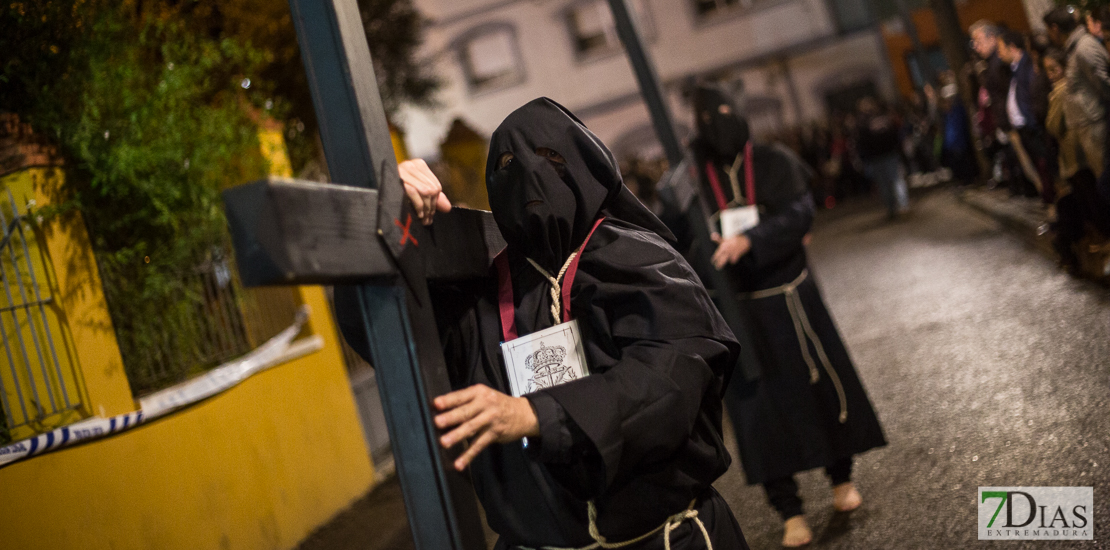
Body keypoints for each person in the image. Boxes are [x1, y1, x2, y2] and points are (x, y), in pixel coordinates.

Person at [340, 98, 749, 549]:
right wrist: (394, 223)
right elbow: (388, 335)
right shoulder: (479, 292)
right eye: (508, 164)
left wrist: (539, 413)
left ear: (586, 165)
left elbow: (671, 376)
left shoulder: (644, 261)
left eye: (551, 158)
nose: (530, 175)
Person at [672, 86, 886, 547]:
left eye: (728, 112)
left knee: (821, 389)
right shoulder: (688, 177)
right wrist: (703, 250)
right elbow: (670, 238)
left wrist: (751, 240)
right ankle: (789, 509)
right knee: (761, 411)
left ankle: (841, 480)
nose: (721, 123)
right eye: (711, 117)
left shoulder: (772, 159)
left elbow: (800, 211)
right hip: (738, 312)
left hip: (791, 300)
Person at [1045, 6, 1110, 180]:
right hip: (1088, 127)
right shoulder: (1074, 49)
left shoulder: (1083, 48)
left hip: (1097, 126)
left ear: (1055, 28)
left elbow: (1105, 85)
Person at [997, 29, 1052, 200]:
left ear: (1012, 47)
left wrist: (1033, 122)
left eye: (1001, 49)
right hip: (1025, 129)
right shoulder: (1013, 70)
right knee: (1038, 169)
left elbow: (1031, 96)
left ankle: (1053, 203)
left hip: (1032, 128)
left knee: (1045, 169)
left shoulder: (1027, 67)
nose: (999, 54)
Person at [856, 96, 910, 218]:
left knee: (884, 184)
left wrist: (865, 158)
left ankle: (891, 208)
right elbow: (896, 135)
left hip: (876, 158)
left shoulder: (863, 123)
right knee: (896, 180)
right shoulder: (885, 118)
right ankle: (903, 205)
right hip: (890, 154)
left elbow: (862, 143)